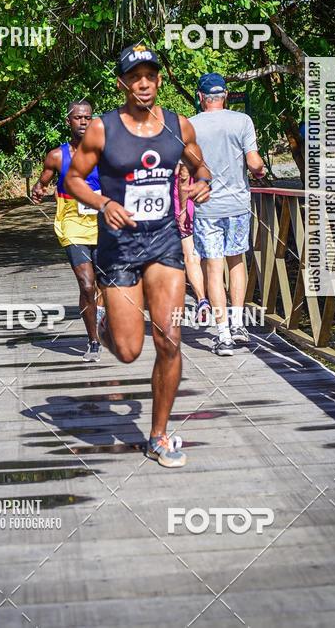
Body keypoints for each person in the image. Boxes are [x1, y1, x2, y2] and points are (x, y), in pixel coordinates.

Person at [65, 44, 212, 468]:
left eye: (150, 75)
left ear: (159, 80)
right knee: (129, 351)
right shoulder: (101, 129)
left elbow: (201, 168)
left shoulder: (178, 127)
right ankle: (110, 325)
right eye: (135, 76)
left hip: (164, 242)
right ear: (122, 83)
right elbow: (73, 178)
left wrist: (202, 182)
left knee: (169, 338)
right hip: (119, 246)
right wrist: (101, 202)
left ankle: (159, 436)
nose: (143, 83)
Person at [190, 73, 266, 356]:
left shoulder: (190, 126)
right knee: (237, 262)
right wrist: (259, 171)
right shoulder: (242, 121)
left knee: (213, 266)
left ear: (201, 97)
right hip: (237, 204)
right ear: (225, 95)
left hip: (206, 206)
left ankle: (223, 337)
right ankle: (237, 324)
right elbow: (253, 161)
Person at [31, 100, 103, 362]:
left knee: (105, 283)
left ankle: (99, 313)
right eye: (78, 118)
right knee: (87, 284)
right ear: (68, 122)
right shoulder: (57, 156)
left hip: (102, 224)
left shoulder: (104, 153)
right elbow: (42, 183)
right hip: (72, 224)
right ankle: (93, 341)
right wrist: (38, 191)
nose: (83, 122)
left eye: (88, 118)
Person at [173, 163, 210, 324]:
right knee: (207, 257)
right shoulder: (200, 142)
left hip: (185, 203)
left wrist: (182, 209)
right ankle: (207, 300)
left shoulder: (177, 141)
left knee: (190, 257)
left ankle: (202, 300)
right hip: (207, 204)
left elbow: (183, 175)